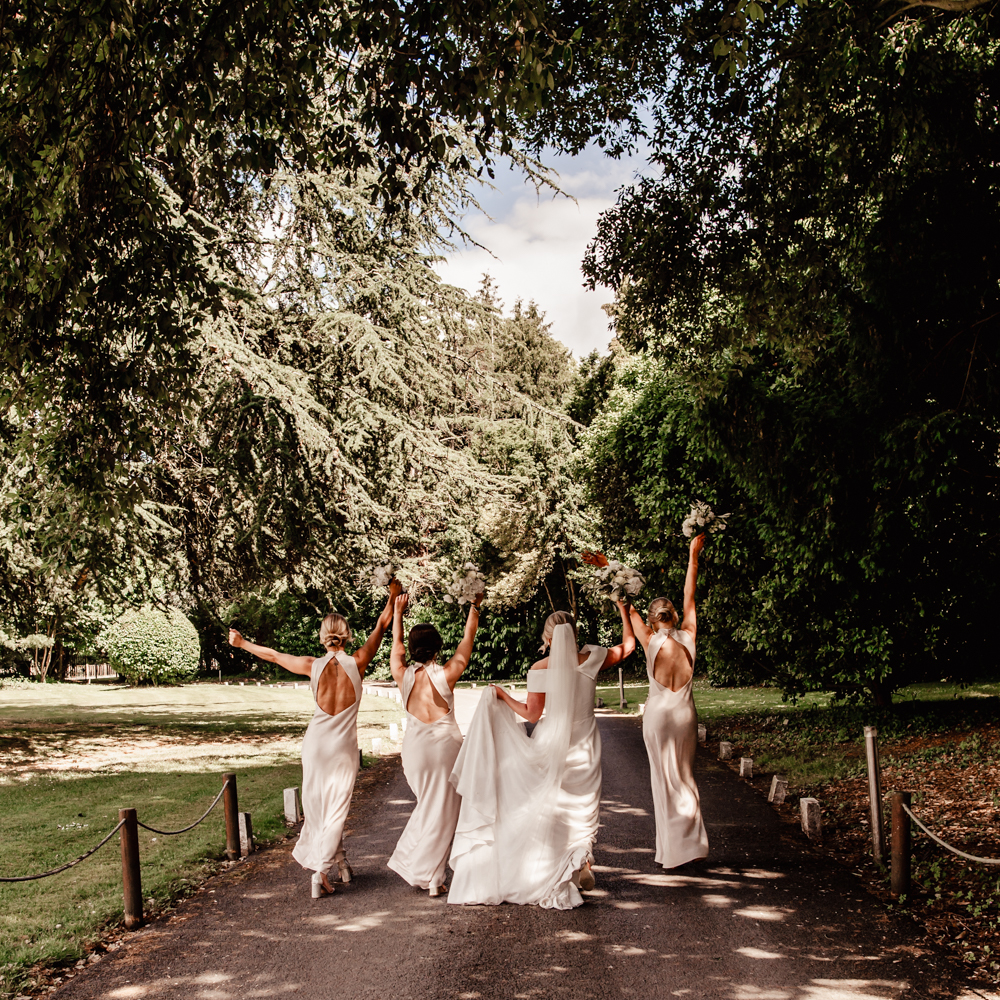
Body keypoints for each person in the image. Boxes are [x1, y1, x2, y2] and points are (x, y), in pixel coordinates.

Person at [448, 602, 635, 909]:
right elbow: (628, 647)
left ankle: (558, 866)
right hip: (585, 743)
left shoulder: (540, 668)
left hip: (552, 743)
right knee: (583, 809)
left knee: (553, 807)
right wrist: (622, 607)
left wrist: (502, 695)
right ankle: (581, 859)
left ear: (549, 639)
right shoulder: (593, 658)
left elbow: (531, 713)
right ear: (573, 634)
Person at [228, 579, 401, 898]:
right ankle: (320, 873)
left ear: (323, 637)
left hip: (316, 745)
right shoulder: (359, 660)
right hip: (342, 749)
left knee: (320, 810)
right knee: (336, 810)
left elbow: (274, 656)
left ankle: (342, 863)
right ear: (346, 635)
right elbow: (382, 623)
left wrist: (242, 644)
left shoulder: (312, 666)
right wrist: (392, 597)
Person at [387, 590, 483, 896]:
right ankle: (431, 875)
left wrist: (398, 614)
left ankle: (432, 874)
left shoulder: (401, 674)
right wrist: (474, 607)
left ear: (413, 650)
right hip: (445, 748)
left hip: (415, 751)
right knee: (444, 810)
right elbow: (468, 638)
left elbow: (396, 646)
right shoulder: (448, 672)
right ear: (439, 648)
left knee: (431, 806)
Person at [629, 533, 709, 869]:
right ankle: (691, 846)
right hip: (684, 715)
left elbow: (625, 603)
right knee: (685, 776)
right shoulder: (688, 634)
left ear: (652, 619)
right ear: (674, 615)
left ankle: (672, 854)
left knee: (663, 781)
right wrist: (693, 557)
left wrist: (610, 572)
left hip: (659, 718)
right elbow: (691, 594)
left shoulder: (648, 639)